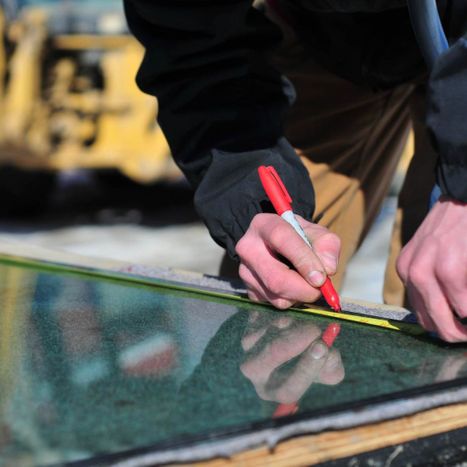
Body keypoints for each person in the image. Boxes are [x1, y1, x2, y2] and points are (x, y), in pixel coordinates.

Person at [123, 0, 467, 342]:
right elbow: (195, 48)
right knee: (271, 308)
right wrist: (246, 192)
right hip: (326, 43)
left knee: (447, 298)